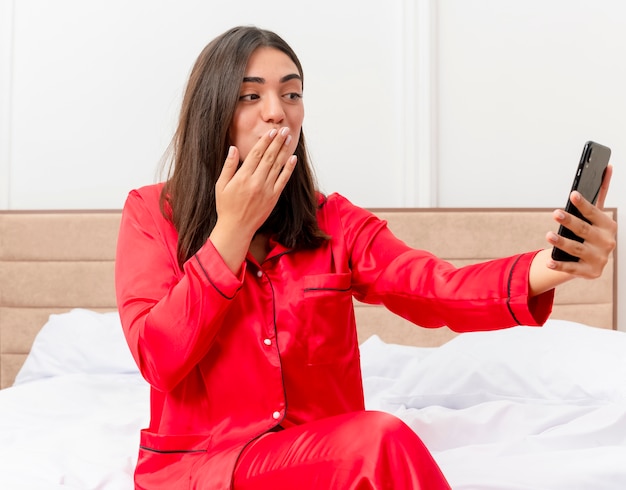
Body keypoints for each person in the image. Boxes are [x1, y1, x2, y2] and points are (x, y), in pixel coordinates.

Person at [114, 25, 616, 490]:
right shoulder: (150, 214)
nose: (276, 111)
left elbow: (434, 285)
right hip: (202, 469)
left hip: (323, 466)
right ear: (212, 111)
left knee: (370, 443)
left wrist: (551, 266)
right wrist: (232, 231)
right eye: (251, 95)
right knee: (378, 440)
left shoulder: (332, 221)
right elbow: (158, 357)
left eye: (291, 93)